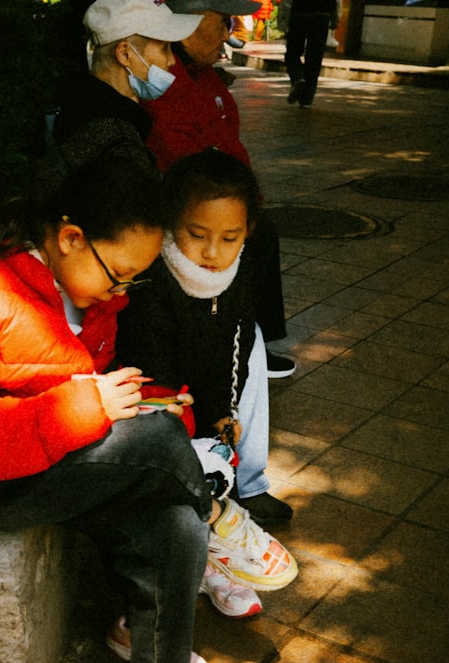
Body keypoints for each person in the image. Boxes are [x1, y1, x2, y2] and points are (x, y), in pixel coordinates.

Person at [0, 155, 284, 663]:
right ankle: (221, 523)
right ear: (70, 239)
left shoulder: (89, 292)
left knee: (172, 517)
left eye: (134, 279)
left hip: (33, 460)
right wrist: (88, 407)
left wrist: (143, 400)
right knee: (158, 443)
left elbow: (87, 387)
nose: (121, 293)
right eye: (118, 276)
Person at [117, 149, 300, 620]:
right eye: (197, 235)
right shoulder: (152, 279)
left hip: (203, 397)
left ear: (248, 233)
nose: (213, 252)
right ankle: (195, 565)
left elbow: (234, 347)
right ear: (171, 222)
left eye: (229, 237)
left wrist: (225, 409)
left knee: (219, 464)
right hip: (160, 402)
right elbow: (148, 365)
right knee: (179, 476)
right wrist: (179, 420)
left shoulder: (239, 273)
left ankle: (213, 561)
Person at [140, 0, 295, 382]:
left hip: (225, 191)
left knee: (256, 233)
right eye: (223, 22)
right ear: (190, 23)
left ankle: (254, 342)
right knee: (247, 239)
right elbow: (178, 155)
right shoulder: (168, 77)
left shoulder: (203, 72)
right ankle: (242, 344)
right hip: (198, 197)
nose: (228, 32)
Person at [35, 0, 202, 199]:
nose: (172, 60)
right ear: (125, 54)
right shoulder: (118, 138)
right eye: (164, 48)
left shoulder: (83, 101)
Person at [283, 0, 338, 107]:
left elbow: (287, 2)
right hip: (323, 14)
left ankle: (297, 77)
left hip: (299, 13)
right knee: (315, 56)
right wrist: (335, 16)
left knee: (292, 52)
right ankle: (306, 99)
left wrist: (284, 20)